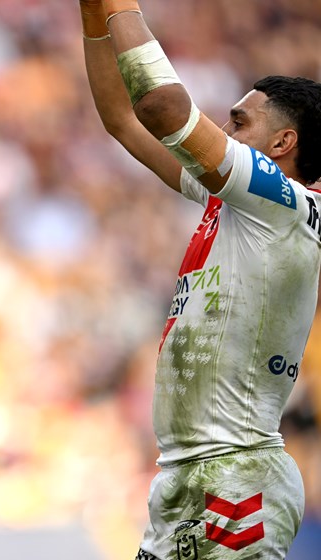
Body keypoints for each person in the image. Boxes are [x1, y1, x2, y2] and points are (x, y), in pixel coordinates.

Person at [79, 1, 321, 558]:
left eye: (239, 121)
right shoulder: (237, 202)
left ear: (283, 145)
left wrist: (120, 6)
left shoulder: (286, 204)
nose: (224, 129)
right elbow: (121, 118)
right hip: (188, 476)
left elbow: (162, 107)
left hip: (235, 476)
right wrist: (95, 15)